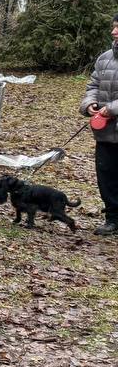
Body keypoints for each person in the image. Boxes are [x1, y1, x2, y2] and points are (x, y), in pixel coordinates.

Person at [78, 13, 118, 235]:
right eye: (114, 27)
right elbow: (93, 85)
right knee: (106, 175)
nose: (114, 31)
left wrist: (111, 108)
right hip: (106, 132)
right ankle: (113, 219)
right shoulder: (104, 58)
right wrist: (90, 103)